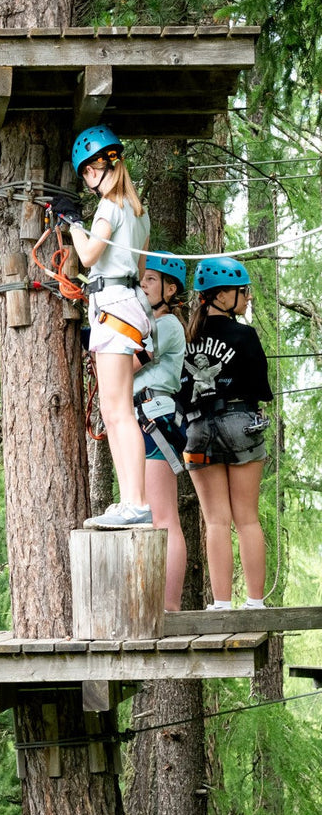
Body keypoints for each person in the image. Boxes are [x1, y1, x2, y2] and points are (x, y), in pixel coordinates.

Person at [52, 125, 153, 530]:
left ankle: (136, 502)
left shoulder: (109, 207)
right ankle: (132, 499)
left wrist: (74, 222)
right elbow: (140, 271)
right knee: (115, 410)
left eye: (86, 175)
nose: (88, 182)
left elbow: (91, 255)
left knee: (116, 409)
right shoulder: (137, 214)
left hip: (113, 309)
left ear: (95, 169)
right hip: (124, 305)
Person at [177, 258, 273, 610]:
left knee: (215, 519)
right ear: (222, 296)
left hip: (198, 429)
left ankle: (220, 604)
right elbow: (261, 388)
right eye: (242, 292)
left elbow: (180, 390)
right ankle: (254, 602)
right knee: (246, 517)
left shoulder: (187, 338)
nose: (247, 298)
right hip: (239, 423)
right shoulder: (244, 335)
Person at [135, 254, 189, 611]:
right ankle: (159, 603)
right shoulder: (151, 322)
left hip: (155, 417)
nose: (143, 284)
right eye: (142, 279)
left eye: (151, 280)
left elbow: (133, 359)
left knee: (163, 516)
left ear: (170, 289)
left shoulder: (166, 324)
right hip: (144, 415)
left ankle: (169, 607)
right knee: (151, 516)